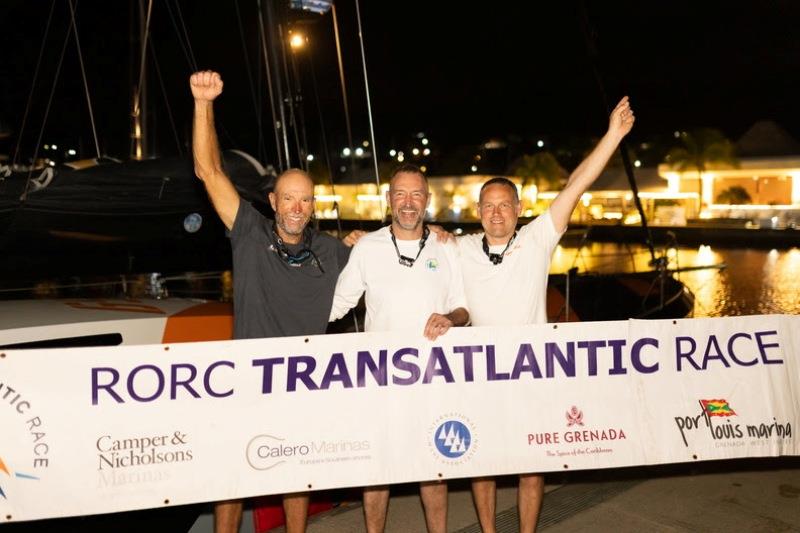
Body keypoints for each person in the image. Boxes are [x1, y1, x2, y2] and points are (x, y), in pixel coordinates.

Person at [190, 70, 360, 533]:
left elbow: (394, 253)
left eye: (305, 200)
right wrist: (204, 103)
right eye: (288, 199)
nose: (297, 208)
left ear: (313, 206)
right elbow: (209, 170)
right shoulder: (248, 231)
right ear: (273, 201)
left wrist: (442, 237)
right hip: (245, 377)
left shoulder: (333, 251)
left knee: (294, 471)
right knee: (234, 473)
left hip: (301, 380)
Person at [459, 96, 636, 533]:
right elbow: (411, 240)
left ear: (519, 210)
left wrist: (613, 135)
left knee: (530, 466)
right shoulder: (459, 248)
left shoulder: (537, 238)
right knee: (483, 465)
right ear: (478, 212)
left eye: (505, 205)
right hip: (480, 375)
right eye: (488, 206)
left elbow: (576, 184)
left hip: (530, 374)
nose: (496, 213)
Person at [329, 163, 469, 533]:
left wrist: (450, 318)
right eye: (401, 195)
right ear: (389, 200)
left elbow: (464, 307)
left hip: (435, 376)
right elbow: (336, 305)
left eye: (416, 194)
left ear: (427, 200)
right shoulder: (368, 247)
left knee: (433, 465)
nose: (408, 203)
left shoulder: (447, 247)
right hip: (381, 376)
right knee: (378, 465)